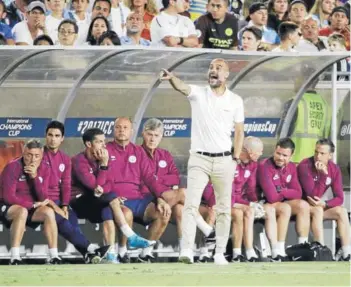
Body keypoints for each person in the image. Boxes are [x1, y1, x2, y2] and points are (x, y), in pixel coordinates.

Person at [160, 58, 245, 265]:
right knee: (191, 205)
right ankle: (187, 250)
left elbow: (239, 131)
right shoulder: (198, 93)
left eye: (218, 68)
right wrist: (172, 78)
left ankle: (218, 253)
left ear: (226, 75)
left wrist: (235, 158)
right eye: (211, 68)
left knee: (224, 208)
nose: (213, 71)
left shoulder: (235, 100)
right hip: (199, 158)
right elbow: (182, 87)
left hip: (224, 160)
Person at [71, 127, 156, 263]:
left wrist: (103, 175)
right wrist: (104, 166)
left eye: (104, 141)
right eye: (99, 142)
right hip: (79, 202)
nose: (104, 145)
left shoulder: (102, 158)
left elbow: (109, 184)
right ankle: (131, 236)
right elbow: (94, 186)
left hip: (97, 200)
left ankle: (110, 254)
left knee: (108, 207)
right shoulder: (78, 161)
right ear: (88, 144)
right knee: (111, 197)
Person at [139, 118, 215, 254]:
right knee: (183, 193)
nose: (152, 139)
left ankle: (184, 250)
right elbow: (142, 181)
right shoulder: (136, 153)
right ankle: (207, 230)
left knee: (180, 209)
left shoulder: (165, 154)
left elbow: (174, 177)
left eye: (156, 135)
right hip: (144, 198)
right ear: (143, 134)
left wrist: (156, 180)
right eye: (150, 134)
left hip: (167, 199)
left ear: (161, 137)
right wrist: (160, 183)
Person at [43, 121, 111, 264]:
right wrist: (56, 208)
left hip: (59, 202)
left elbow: (66, 185)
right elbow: (38, 187)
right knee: (63, 221)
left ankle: (88, 254)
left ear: (62, 139)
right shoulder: (38, 156)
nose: (53, 139)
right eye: (50, 135)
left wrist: (65, 205)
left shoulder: (65, 159)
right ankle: (91, 248)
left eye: (57, 136)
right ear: (46, 136)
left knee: (71, 223)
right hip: (42, 202)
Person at [106, 117, 171, 263]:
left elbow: (149, 177)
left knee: (164, 212)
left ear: (132, 131)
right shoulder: (105, 150)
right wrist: (112, 196)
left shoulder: (138, 151)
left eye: (125, 128)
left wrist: (160, 198)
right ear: (113, 130)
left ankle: (145, 253)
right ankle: (123, 252)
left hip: (138, 200)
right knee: (126, 214)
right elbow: (101, 177)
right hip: (117, 200)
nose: (122, 130)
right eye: (118, 127)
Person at [201, 137, 264, 262]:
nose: (261, 154)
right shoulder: (227, 161)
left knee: (243, 212)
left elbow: (250, 188)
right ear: (250, 151)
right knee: (215, 210)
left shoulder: (252, 164)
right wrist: (247, 203)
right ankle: (205, 253)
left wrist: (255, 203)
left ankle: (239, 253)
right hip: (213, 199)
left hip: (231, 201)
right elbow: (209, 187)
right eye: (260, 151)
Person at [297, 139, 351, 261]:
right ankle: (320, 249)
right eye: (316, 152)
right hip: (302, 208)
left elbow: (339, 198)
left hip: (318, 206)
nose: (318, 156)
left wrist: (325, 203)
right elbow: (312, 195)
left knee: (341, 211)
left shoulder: (334, 168)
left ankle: (347, 253)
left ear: (330, 155)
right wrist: (324, 175)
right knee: (317, 209)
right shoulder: (304, 165)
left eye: (322, 153)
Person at [257, 138, 311, 259]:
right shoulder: (264, 166)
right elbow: (271, 197)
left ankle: (302, 247)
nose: (280, 158)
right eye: (278, 153)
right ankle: (279, 250)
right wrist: (286, 192)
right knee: (285, 208)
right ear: (274, 151)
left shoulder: (291, 167)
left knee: (304, 205)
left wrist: (282, 191)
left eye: (285, 155)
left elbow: (298, 192)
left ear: (291, 156)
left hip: (281, 201)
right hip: (263, 203)